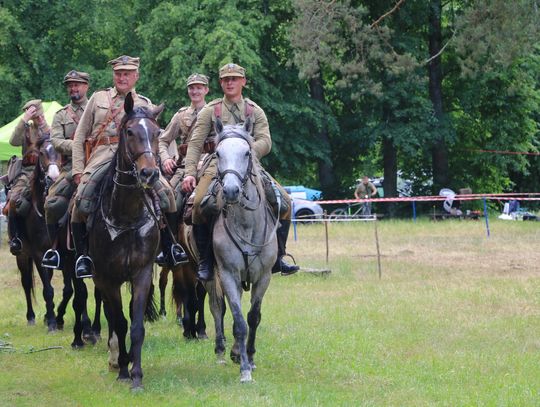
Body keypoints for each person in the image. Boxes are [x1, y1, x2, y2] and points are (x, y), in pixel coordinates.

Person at [71, 55, 187, 278]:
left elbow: (156, 137)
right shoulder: (98, 98)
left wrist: (161, 162)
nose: (122, 77)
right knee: (81, 199)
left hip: (138, 159)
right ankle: (83, 256)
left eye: (127, 73)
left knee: (167, 196)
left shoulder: (145, 103)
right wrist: (78, 170)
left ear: (136, 76)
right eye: (118, 73)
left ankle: (169, 247)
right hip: (103, 155)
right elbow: (79, 137)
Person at [182, 63, 299, 282]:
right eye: (226, 79)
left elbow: (266, 140)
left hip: (249, 165)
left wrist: (245, 151)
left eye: (235, 79)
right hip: (216, 166)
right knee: (198, 204)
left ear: (243, 82)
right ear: (220, 83)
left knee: (284, 201)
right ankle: (206, 260)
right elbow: (195, 143)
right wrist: (190, 172)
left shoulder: (254, 111)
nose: (230, 82)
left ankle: (279, 257)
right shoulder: (212, 110)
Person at [156, 73, 209, 265]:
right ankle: (170, 247)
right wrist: (165, 158)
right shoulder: (181, 116)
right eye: (191, 87)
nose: (195, 91)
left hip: (209, 164)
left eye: (199, 87)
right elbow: (162, 140)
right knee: (168, 200)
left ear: (206, 90)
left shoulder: (214, 112)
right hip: (184, 166)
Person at [41, 70, 90, 269]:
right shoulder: (61, 115)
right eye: (70, 85)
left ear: (86, 86)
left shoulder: (96, 110)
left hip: (96, 163)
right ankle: (55, 250)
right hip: (70, 167)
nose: (73, 88)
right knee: (51, 205)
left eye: (77, 84)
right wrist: (79, 145)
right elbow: (56, 142)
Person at [8, 99, 51, 255]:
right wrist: (23, 120)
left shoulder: (49, 128)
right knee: (13, 199)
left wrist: (43, 123)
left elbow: (53, 142)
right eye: (33, 115)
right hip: (27, 172)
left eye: (37, 114)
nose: (36, 118)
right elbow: (13, 141)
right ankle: (16, 238)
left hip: (46, 171)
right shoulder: (26, 129)